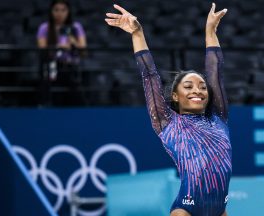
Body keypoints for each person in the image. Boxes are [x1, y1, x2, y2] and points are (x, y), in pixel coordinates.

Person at [105, 3, 231, 216]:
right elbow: (149, 74)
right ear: (175, 96)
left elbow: (214, 70)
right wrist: (137, 33)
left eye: (202, 86)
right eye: (188, 86)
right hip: (186, 210)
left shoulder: (218, 116)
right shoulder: (167, 122)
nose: (197, 91)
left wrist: (210, 31)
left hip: (220, 211)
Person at [37, 0, 87, 105]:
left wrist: (73, 42)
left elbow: (83, 51)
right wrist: (58, 47)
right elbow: (42, 50)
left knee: (77, 96)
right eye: (56, 10)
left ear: (68, 11)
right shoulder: (44, 28)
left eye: (63, 10)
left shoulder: (76, 27)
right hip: (52, 68)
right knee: (53, 96)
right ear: (51, 11)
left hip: (71, 67)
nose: (60, 13)